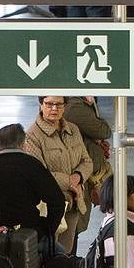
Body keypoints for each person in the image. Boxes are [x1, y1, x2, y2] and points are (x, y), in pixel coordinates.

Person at [24, 96, 93, 253]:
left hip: (74, 203)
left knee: (68, 256)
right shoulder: (32, 136)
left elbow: (87, 161)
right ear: (41, 105)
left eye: (58, 104)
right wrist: (69, 182)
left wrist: (78, 177)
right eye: (49, 104)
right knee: (52, 256)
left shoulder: (73, 130)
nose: (54, 108)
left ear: (65, 106)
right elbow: (39, 174)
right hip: (50, 209)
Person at [0, 124, 65, 246]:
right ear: (23, 143)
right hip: (28, 234)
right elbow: (57, 200)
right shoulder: (32, 165)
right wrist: (47, 229)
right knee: (60, 252)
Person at [63, 95, 112, 230]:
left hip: (84, 174)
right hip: (78, 175)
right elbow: (104, 130)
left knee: (78, 223)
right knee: (74, 225)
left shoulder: (78, 104)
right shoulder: (75, 107)